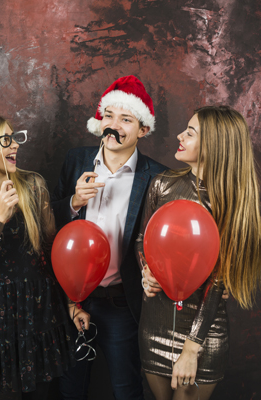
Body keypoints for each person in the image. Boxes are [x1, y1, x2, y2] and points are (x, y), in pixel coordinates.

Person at [136, 106, 261, 400]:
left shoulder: (230, 202)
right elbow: (143, 239)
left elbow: (219, 281)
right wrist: (146, 270)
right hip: (154, 323)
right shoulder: (162, 184)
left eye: (190, 133)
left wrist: (192, 348)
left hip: (201, 334)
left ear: (213, 146)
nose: (179, 136)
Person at [51, 76, 168, 400]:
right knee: (70, 389)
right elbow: (48, 221)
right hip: (74, 300)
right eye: (109, 116)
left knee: (125, 389)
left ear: (143, 129)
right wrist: (74, 202)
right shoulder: (76, 160)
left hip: (122, 303)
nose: (113, 126)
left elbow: (161, 242)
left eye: (125, 119)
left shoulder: (157, 176)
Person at [0, 114, 75, 399]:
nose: (15, 145)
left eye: (15, 138)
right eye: (6, 140)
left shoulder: (33, 184)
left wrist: (73, 302)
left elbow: (53, 251)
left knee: (41, 393)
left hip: (39, 308)